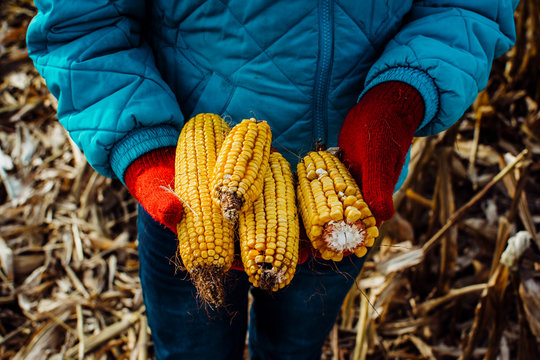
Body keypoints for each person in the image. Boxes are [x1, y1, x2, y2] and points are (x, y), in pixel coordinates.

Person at [27, 1, 518, 359]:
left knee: (295, 348)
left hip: (346, 181)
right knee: (191, 350)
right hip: (183, 189)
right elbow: (82, 23)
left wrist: (399, 96)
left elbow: (471, 6)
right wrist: (145, 149)